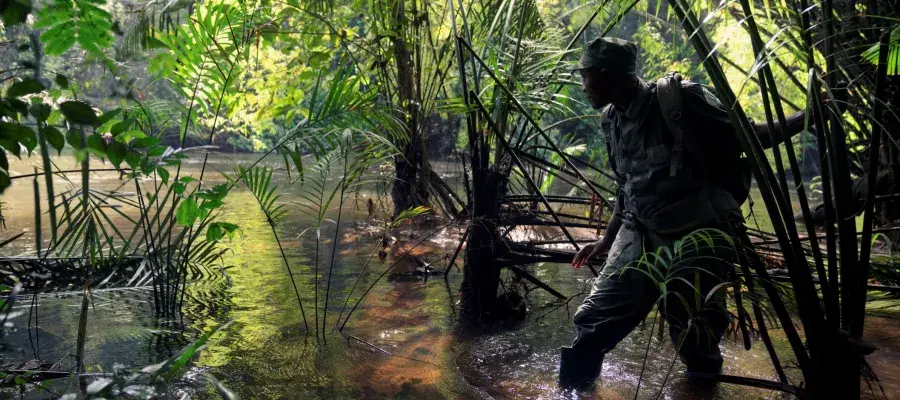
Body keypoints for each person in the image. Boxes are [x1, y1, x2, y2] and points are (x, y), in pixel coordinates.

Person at [559, 37, 813, 392]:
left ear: (606, 75)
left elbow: (754, 136)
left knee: (695, 336)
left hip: (698, 232)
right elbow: (627, 186)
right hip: (639, 232)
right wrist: (605, 240)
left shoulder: (681, 100)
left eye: (585, 77)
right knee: (593, 323)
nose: (582, 86)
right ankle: (573, 392)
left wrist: (809, 114)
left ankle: (701, 390)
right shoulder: (610, 120)